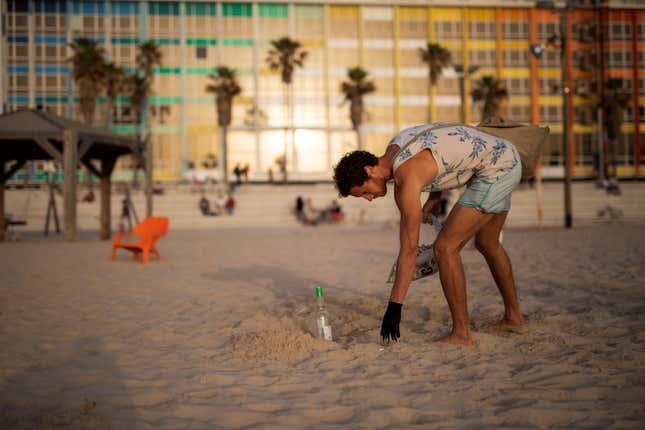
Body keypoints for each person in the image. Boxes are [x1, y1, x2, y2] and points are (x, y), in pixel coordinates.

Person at [333, 122, 525, 346]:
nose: (368, 199)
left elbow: (409, 249)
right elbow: (443, 148)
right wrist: (435, 198)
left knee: (445, 248)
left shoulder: (405, 180)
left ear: (369, 170)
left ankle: (461, 334)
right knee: (487, 242)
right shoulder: (397, 145)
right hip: (506, 154)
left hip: (496, 171)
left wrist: (394, 308)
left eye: (365, 192)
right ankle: (514, 317)